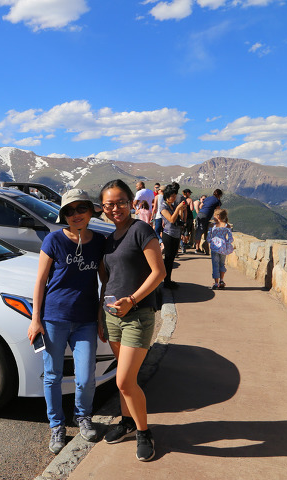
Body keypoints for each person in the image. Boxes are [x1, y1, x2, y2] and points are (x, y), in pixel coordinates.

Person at [28, 189, 107, 454]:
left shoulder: (99, 242)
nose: (76, 215)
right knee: (53, 375)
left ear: (90, 210)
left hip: (85, 320)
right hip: (54, 318)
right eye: (70, 211)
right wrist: (35, 319)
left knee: (85, 377)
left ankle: (82, 416)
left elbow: (106, 281)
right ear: (64, 215)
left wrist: (100, 314)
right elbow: (40, 280)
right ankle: (56, 425)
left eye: (80, 209)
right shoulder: (53, 240)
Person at [98, 179, 165, 462]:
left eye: (121, 203)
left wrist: (133, 300)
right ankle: (126, 423)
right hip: (112, 317)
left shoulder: (141, 230)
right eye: (109, 204)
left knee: (124, 380)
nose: (116, 209)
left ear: (131, 203)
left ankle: (143, 432)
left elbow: (158, 272)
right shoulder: (108, 239)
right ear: (103, 207)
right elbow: (106, 280)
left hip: (137, 315)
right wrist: (100, 315)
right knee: (125, 379)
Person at [159, 184, 187, 289]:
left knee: (171, 259)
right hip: (169, 235)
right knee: (168, 259)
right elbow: (171, 219)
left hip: (175, 234)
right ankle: (166, 282)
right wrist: (178, 208)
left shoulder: (172, 205)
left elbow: (178, 218)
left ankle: (168, 280)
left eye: (175, 196)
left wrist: (181, 210)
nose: (174, 198)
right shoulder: (163, 206)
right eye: (173, 196)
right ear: (167, 195)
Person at [208, 209, 235, 289]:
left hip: (214, 247)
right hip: (223, 248)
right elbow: (230, 239)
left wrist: (211, 241)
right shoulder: (227, 226)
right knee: (222, 264)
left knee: (215, 265)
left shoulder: (213, 226)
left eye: (215, 215)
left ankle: (216, 283)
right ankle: (222, 280)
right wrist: (226, 242)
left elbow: (209, 237)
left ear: (218, 216)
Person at [193, 189, 223, 255]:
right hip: (205, 216)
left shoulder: (208, 198)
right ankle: (197, 249)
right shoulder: (217, 201)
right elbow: (218, 211)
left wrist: (204, 209)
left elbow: (200, 206)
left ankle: (197, 247)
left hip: (199, 214)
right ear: (219, 195)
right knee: (200, 231)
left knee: (198, 230)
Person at [152, 185, 164, 251]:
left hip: (158, 216)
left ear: (161, 190)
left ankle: (161, 244)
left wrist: (152, 215)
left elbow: (155, 207)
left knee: (156, 232)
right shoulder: (166, 197)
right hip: (165, 216)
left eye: (158, 189)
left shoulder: (157, 197)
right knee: (163, 231)